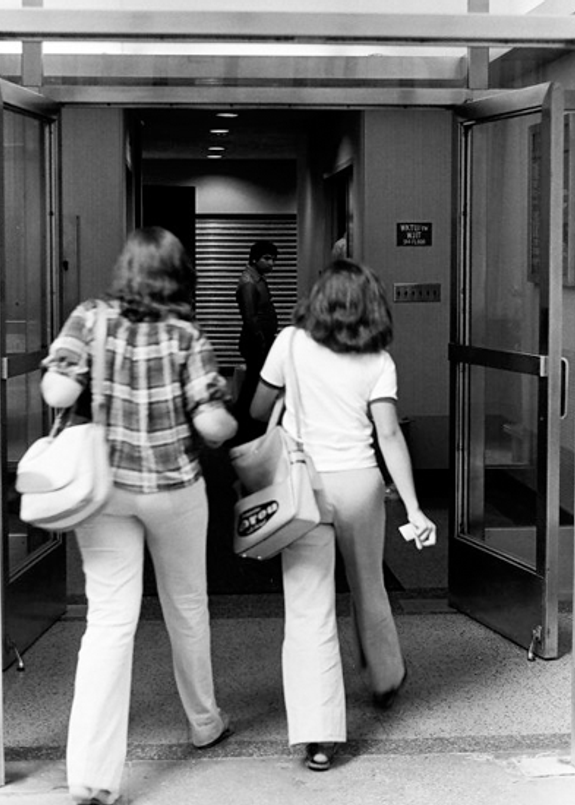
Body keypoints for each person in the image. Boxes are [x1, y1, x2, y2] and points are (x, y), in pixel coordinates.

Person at [40, 227, 236, 805]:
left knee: (108, 622)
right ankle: (205, 723)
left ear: (125, 269)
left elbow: (55, 391)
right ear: (179, 276)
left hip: (103, 490)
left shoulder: (89, 317)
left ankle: (93, 777)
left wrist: (83, 377)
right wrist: (224, 419)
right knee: (187, 607)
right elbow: (211, 426)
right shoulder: (187, 334)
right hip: (173, 487)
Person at [249, 258, 437, 773]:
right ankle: (384, 678)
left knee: (308, 607)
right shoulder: (378, 360)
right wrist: (415, 506)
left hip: (303, 483)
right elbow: (389, 436)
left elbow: (257, 408)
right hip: (358, 483)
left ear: (318, 300)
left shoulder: (289, 343)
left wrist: (289, 390)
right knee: (369, 584)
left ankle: (318, 736)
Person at [234, 240, 280, 442]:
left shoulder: (257, 279)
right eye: (267, 259)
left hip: (261, 341)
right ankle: (242, 429)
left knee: (253, 385)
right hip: (256, 343)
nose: (271, 264)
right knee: (252, 385)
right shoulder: (249, 283)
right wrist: (262, 343)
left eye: (273, 259)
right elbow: (250, 317)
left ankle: (245, 427)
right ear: (254, 259)